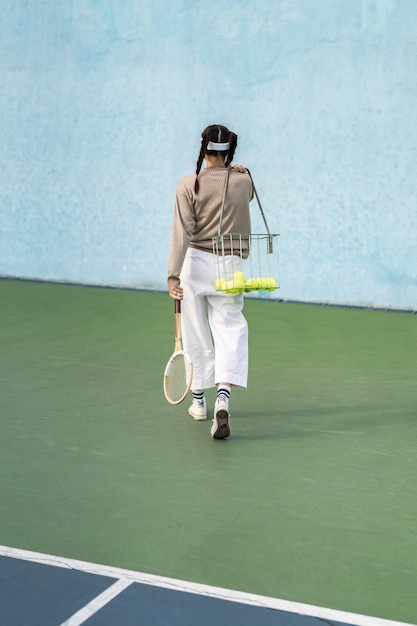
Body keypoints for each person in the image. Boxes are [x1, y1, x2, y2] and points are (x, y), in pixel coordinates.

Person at [167, 124, 253, 439]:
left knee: (194, 330)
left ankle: (199, 403)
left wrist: (172, 275)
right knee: (230, 328)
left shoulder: (189, 183)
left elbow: (181, 233)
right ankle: (223, 399)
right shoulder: (243, 181)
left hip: (194, 263)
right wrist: (240, 170)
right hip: (229, 266)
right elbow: (250, 193)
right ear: (230, 152)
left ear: (204, 151)